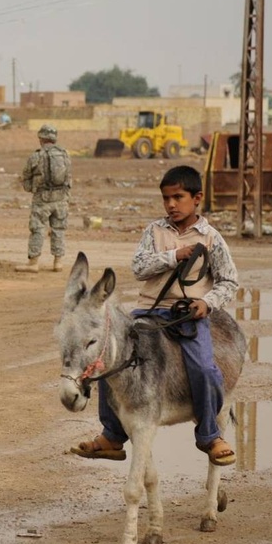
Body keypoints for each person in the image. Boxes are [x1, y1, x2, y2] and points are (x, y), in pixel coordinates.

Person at [71, 165, 240, 466]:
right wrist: (174, 256)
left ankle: (210, 434)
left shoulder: (211, 238)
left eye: (178, 197)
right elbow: (139, 268)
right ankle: (112, 434)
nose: (171, 205)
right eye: (166, 199)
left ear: (197, 198)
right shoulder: (154, 231)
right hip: (148, 312)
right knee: (107, 360)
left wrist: (207, 303)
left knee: (204, 369)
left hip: (187, 316)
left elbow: (229, 281)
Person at [17, 124, 72, 273]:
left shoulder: (36, 156)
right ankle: (58, 262)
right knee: (59, 229)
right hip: (61, 199)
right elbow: (69, 178)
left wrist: (32, 189)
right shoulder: (65, 154)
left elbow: (26, 177)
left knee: (37, 229)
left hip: (42, 199)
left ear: (41, 138)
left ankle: (33, 263)